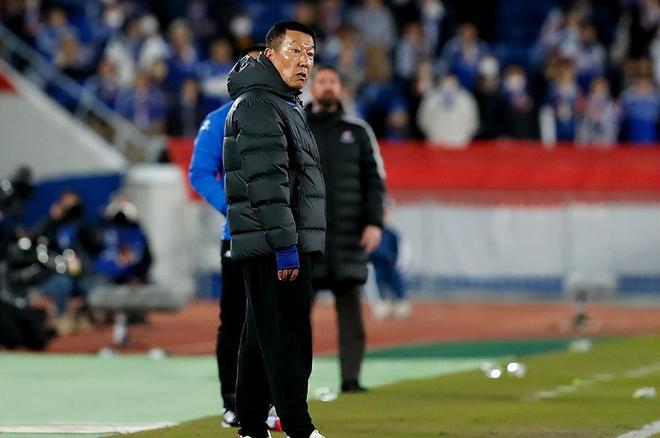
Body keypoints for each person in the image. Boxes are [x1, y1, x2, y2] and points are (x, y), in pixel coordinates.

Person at [223, 21, 326, 438]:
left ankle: (251, 425)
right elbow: (268, 185)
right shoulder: (259, 105)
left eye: (310, 55)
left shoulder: (281, 103)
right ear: (270, 54)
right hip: (276, 242)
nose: (304, 62)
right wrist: (286, 246)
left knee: (260, 337)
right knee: (288, 338)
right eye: (295, 51)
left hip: (276, 239)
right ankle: (299, 427)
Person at [189, 44, 271, 430]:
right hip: (238, 235)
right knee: (236, 318)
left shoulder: (289, 116)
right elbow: (199, 172)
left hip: (280, 237)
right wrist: (232, 206)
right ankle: (233, 401)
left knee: (277, 319)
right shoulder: (220, 119)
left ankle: (273, 399)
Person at [306, 65, 385, 393]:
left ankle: (351, 379)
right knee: (295, 318)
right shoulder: (296, 126)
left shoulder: (358, 131)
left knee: (351, 314)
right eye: (322, 81)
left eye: (333, 81)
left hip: (349, 236)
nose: (327, 86)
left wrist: (375, 223)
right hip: (307, 238)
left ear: (340, 88)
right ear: (312, 88)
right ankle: (293, 382)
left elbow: (375, 181)